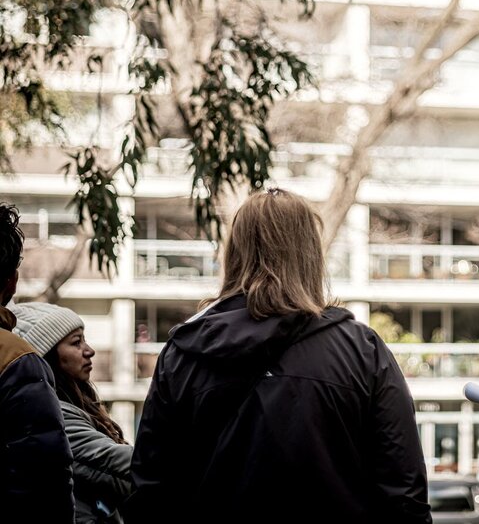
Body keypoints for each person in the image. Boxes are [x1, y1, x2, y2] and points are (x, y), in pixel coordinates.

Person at [127, 189, 431, 523]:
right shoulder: (363, 351)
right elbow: (404, 494)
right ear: (311, 254)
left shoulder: (183, 355)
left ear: (235, 253)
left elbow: (151, 491)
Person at [12, 301, 133, 523]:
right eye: (76, 342)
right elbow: (116, 463)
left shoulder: (74, 405)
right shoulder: (53, 415)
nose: (89, 350)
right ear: (48, 358)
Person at [0, 203, 76, 522]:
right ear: (11, 281)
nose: (90, 353)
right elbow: (44, 485)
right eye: (75, 342)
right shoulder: (15, 359)